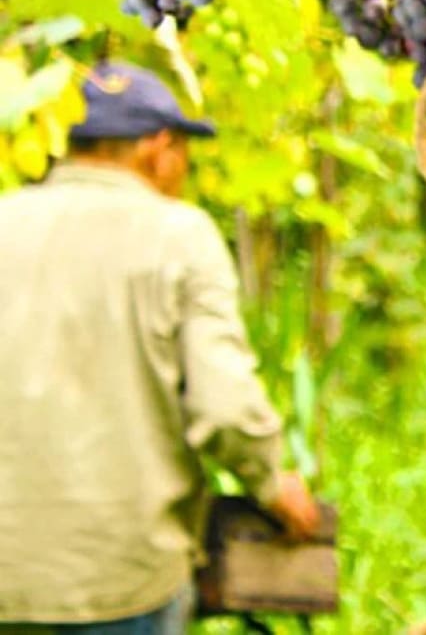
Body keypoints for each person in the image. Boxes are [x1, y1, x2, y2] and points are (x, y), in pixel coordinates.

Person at [0, 61, 320, 634]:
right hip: (120, 579)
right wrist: (274, 485)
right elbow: (224, 406)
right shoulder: (178, 235)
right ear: (160, 146)